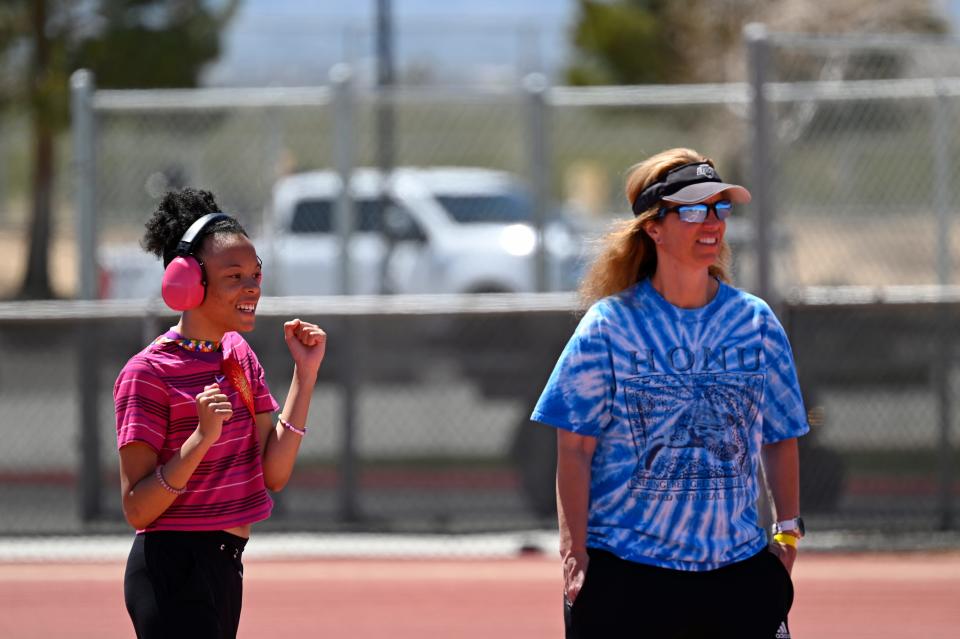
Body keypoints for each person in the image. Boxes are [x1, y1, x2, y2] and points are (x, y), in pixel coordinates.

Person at [531, 148, 808, 638]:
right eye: (694, 210)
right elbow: (573, 449)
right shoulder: (610, 326)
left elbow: (781, 435)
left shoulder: (755, 322)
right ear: (653, 227)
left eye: (720, 208)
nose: (713, 223)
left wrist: (786, 533)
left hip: (738, 575)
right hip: (630, 576)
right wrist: (574, 555)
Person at [115, 188, 327, 639]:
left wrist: (304, 378)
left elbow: (274, 473)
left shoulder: (239, 356)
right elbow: (137, 509)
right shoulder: (146, 373)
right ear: (188, 282)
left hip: (226, 566)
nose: (252, 287)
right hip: (171, 568)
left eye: (256, 274)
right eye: (234, 276)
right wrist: (199, 440)